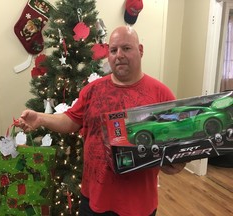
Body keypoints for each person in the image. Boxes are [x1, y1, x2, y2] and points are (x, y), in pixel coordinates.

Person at [17, 25, 186, 216]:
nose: (119, 55)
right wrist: (40, 118)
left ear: (140, 50)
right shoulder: (93, 90)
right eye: (113, 50)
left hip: (138, 204)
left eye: (126, 48)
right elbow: (71, 120)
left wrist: (175, 162)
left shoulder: (161, 94)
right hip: (94, 199)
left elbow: (176, 147)